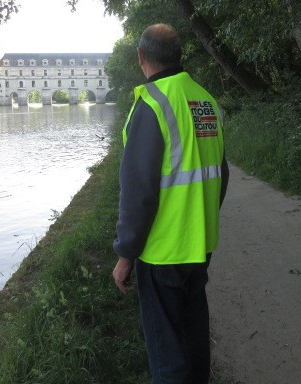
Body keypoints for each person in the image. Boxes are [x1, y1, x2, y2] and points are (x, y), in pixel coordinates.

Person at [112, 23, 229, 383]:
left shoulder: (151, 104)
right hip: (200, 244)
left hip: (163, 251)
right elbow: (220, 175)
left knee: (167, 355)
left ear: (141, 57)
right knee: (194, 339)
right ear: (180, 56)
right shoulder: (207, 101)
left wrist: (125, 254)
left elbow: (139, 192)